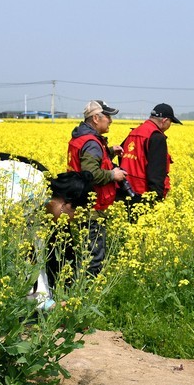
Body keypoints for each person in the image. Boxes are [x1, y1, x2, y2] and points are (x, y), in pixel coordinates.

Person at [66, 100, 126, 275]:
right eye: (107, 116)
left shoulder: (80, 138)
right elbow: (90, 173)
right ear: (96, 118)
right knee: (93, 257)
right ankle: (86, 294)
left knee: (86, 251)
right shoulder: (92, 143)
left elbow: (84, 161)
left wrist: (108, 152)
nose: (110, 120)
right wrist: (113, 175)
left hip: (81, 201)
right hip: (92, 207)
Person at [119, 103, 181, 204]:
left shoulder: (134, 132)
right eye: (171, 122)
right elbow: (156, 172)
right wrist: (156, 199)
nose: (170, 125)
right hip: (143, 194)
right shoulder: (156, 137)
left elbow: (121, 155)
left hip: (125, 190)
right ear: (164, 120)